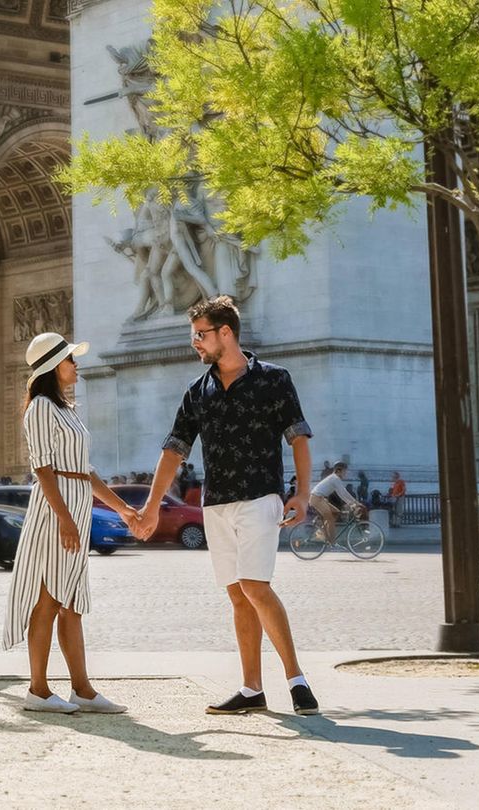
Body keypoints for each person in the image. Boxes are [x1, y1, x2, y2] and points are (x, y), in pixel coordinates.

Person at [132, 296, 319, 716]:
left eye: (200, 335)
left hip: (261, 497)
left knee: (255, 586)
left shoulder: (274, 379)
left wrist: (303, 494)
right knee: (237, 595)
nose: (195, 344)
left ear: (226, 333)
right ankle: (252, 688)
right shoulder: (197, 391)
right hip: (216, 505)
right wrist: (150, 506)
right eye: (193, 336)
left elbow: (299, 437)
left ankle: (297, 680)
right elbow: (173, 452)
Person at [3, 331, 137, 714]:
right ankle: (38, 689)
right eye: (70, 359)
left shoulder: (67, 410)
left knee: (72, 601)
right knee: (48, 598)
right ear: (52, 366)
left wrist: (122, 509)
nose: (76, 365)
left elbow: (86, 472)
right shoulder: (42, 408)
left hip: (75, 504)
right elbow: (43, 468)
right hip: (54, 508)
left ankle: (82, 689)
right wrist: (64, 520)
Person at [309, 462, 363, 542]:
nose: (345, 473)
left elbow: (341, 493)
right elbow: (343, 493)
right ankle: (332, 543)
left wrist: (352, 502)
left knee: (336, 512)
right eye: (344, 471)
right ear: (339, 470)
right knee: (330, 520)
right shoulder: (335, 478)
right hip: (316, 499)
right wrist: (354, 502)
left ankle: (321, 533)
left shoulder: (335, 479)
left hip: (321, 499)